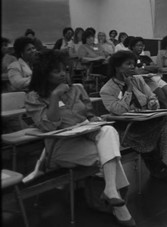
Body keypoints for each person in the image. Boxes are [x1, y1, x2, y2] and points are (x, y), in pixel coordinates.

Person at [25, 50, 135, 226]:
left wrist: (94, 119)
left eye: (65, 70)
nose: (63, 74)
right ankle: (117, 204)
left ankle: (111, 191)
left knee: (108, 131)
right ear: (44, 75)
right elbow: (49, 126)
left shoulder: (77, 89)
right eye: (56, 71)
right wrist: (55, 96)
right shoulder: (34, 97)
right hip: (61, 146)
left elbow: (89, 114)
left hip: (86, 136)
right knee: (109, 157)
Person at [100, 51, 167, 201]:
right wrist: (128, 90)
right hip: (130, 130)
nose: (132, 67)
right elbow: (118, 110)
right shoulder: (107, 89)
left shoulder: (138, 80)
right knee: (163, 131)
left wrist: (152, 104)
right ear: (117, 67)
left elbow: (151, 97)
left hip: (148, 121)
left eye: (133, 64)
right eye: (128, 64)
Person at [129, 37, 167, 123]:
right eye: (138, 45)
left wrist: (144, 67)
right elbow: (136, 71)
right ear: (132, 47)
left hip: (152, 77)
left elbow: (155, 68)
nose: (141, 47)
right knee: (164, 98)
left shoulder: (145, 57)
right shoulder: (130, 59)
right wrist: (146, 68)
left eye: (142, 45)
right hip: (141, 81)